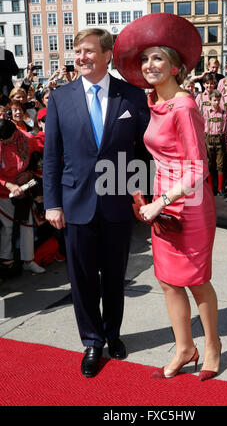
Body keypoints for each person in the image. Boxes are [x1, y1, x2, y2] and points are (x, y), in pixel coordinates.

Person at [113, 13, 220, 382]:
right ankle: (184, 346)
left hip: (188, 206)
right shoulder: (152, 103)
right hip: (162, 202)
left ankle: (211, 346)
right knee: (168, 280)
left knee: (196, 279)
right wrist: (145, 190)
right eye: (145, 59)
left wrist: (161, 201)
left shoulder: (184, 107)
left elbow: (196, 169)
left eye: (158, 58)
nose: (150, 64)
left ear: (175, 67)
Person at [43, 28, 150, 378]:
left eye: (88, 50)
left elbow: (145, 153)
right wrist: (52, 204)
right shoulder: (60, 98)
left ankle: (113, 333)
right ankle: (92, 341)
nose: (81, 57)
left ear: (107, 56)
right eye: (77, 51)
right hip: (75, 204)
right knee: (83, 279)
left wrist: (142, 194)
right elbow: (51, 157)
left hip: (117, 204)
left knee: (115, 277)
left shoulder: (132, 98)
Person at [0, 119, 45, 277]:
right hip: (4, 191)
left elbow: (41, 158)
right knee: (8, 228)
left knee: (27, 225)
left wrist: (30, 174)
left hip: (26, 187)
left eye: (8, 139)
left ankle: (29, 260)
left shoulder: (26, 138)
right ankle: (7, 261)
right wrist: (9, 185)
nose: (6, 142)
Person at [203, 90, 227, 195]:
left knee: (220, 165)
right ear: (210, 101)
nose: (216, 102)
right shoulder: (206, 113)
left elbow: (226, 129)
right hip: (208, 139)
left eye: (218, 100)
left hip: (220, 139)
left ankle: (220, 187)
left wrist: (226, 144)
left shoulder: (223, 113)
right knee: (209, 164)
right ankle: (210, 187)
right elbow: (202, 128)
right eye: (214, 100)